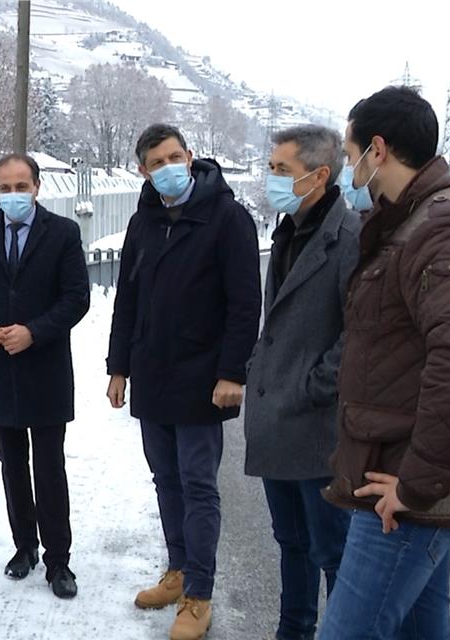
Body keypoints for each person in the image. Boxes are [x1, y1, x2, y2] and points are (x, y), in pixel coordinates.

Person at [318, 86, 450, 639]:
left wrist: (415, 486)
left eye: (350, 154)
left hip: (403, 492)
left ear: (377, 150)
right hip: (405, 479)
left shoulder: (437, 231)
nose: (349, 169)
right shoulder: (410, 222)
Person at [106, 124, 261, 640]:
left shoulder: (227, 218)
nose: (169, 168)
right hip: (152, 373)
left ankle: (199, 593)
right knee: (165, 480)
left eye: (175, 157)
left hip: (202, 377)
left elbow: (245, 303)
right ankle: (176, 570)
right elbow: (127, 299)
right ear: (143, 171)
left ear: (190, 156)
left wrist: (232, 371)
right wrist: (118, 367)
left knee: (198, 485)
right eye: (157, 162)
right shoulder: (143, 221)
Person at [0, 153, 90, 599]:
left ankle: (58, 558)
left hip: (45, 370)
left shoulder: (63, 233)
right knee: (11, 465)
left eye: (21, 186)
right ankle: (24, 546)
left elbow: (76, 298)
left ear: (37, 187)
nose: (13, 195)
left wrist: (35, 332)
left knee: (49, 467)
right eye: (5, 188)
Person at [244, 125, 359, 640]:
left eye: (281, 170)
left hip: (318, 427)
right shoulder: (288, 230)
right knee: (290, 542)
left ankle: (342, 632)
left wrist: (315, 386)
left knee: (332, 549)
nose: (271, 178)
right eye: (270, 167)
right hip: (279, 422)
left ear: (318, 175)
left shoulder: (349, 237)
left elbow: (358, 333)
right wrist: (260, 368)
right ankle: (293, 631)